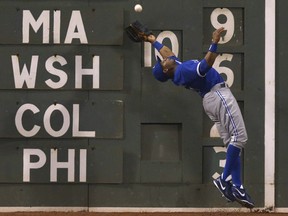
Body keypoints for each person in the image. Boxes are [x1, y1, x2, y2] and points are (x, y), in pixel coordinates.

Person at [142, 27, 255, 208]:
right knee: (240, 137)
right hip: (218, 96)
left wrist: (152, 40)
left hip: (210, 100)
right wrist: (215, 41)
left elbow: (169, 53)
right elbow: (206, 64)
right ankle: (224, 180)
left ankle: (239, 187)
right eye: (163, 61)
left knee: (233, 143)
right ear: (165, 70)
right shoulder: (183, 71)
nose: (165, 58)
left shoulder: (176, 69)